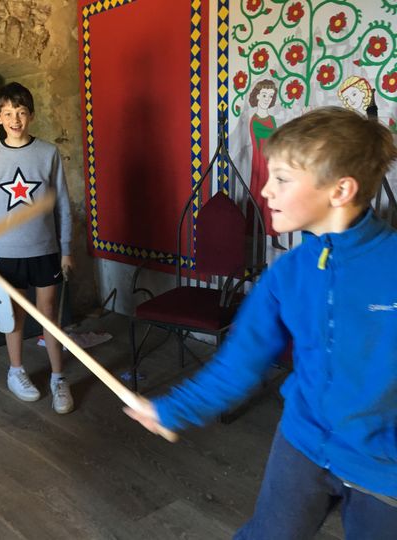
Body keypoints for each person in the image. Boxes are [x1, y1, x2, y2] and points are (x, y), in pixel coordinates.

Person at [124, 107, 397, 539]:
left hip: (384, 466)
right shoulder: (287, 274)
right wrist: (171, 409)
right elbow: (239, 364)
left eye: (282, 179)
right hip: (302, 443)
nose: (265, 191)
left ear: (340, 190)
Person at [0, 82, 74, 414]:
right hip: (7, 254)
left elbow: (63, 203)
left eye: (20, 112)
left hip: (45, 249)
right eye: (8, 113)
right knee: (14, 316)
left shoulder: (47, 153)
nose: (15, 119)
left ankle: (58, 378)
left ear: (30, 115)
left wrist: (65, 249)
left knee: (49, 314)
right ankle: (16, 371)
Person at [247, 79, 283, 249]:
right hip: (261, 163)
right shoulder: (254, 120)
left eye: (270, 95)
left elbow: (275, 139)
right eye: (264, 95)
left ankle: (274, 237)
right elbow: (262, 143)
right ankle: (259, 236)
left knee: (274, 198)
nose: (267, 98)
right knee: (261, 197)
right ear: (257, 96)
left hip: (272, 161)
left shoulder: (272, 119)